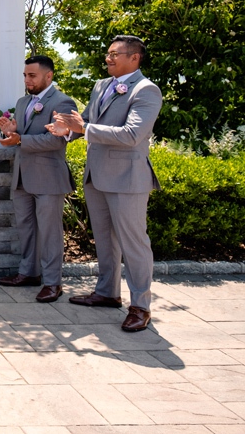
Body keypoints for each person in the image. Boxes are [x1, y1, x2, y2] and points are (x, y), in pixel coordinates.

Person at [48, 35, 162, 332]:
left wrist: (83, 127)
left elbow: (131, 135)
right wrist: (66, 130)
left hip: (127, 179)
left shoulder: (146, 90)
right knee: (105, 239)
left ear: (135, 58)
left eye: (115, 54)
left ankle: (140, 306)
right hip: (96, 176)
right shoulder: (101, 85)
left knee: (134, 243)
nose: (108, 58)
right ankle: (108, 293)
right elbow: (85, 122)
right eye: (108, 53)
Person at [0, 55, 77, 303]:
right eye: (25, 75)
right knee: (26, 229)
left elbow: (55, 140)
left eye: (32, 75)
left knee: (50, 233)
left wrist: (20, 140)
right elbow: (20, 134)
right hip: (22, 176)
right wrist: (9, 132)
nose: (27, 80)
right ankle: (29, 273)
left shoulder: (62, 102)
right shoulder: (22, 102)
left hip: (49, 178)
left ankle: (53, 283)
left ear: (48, 76)